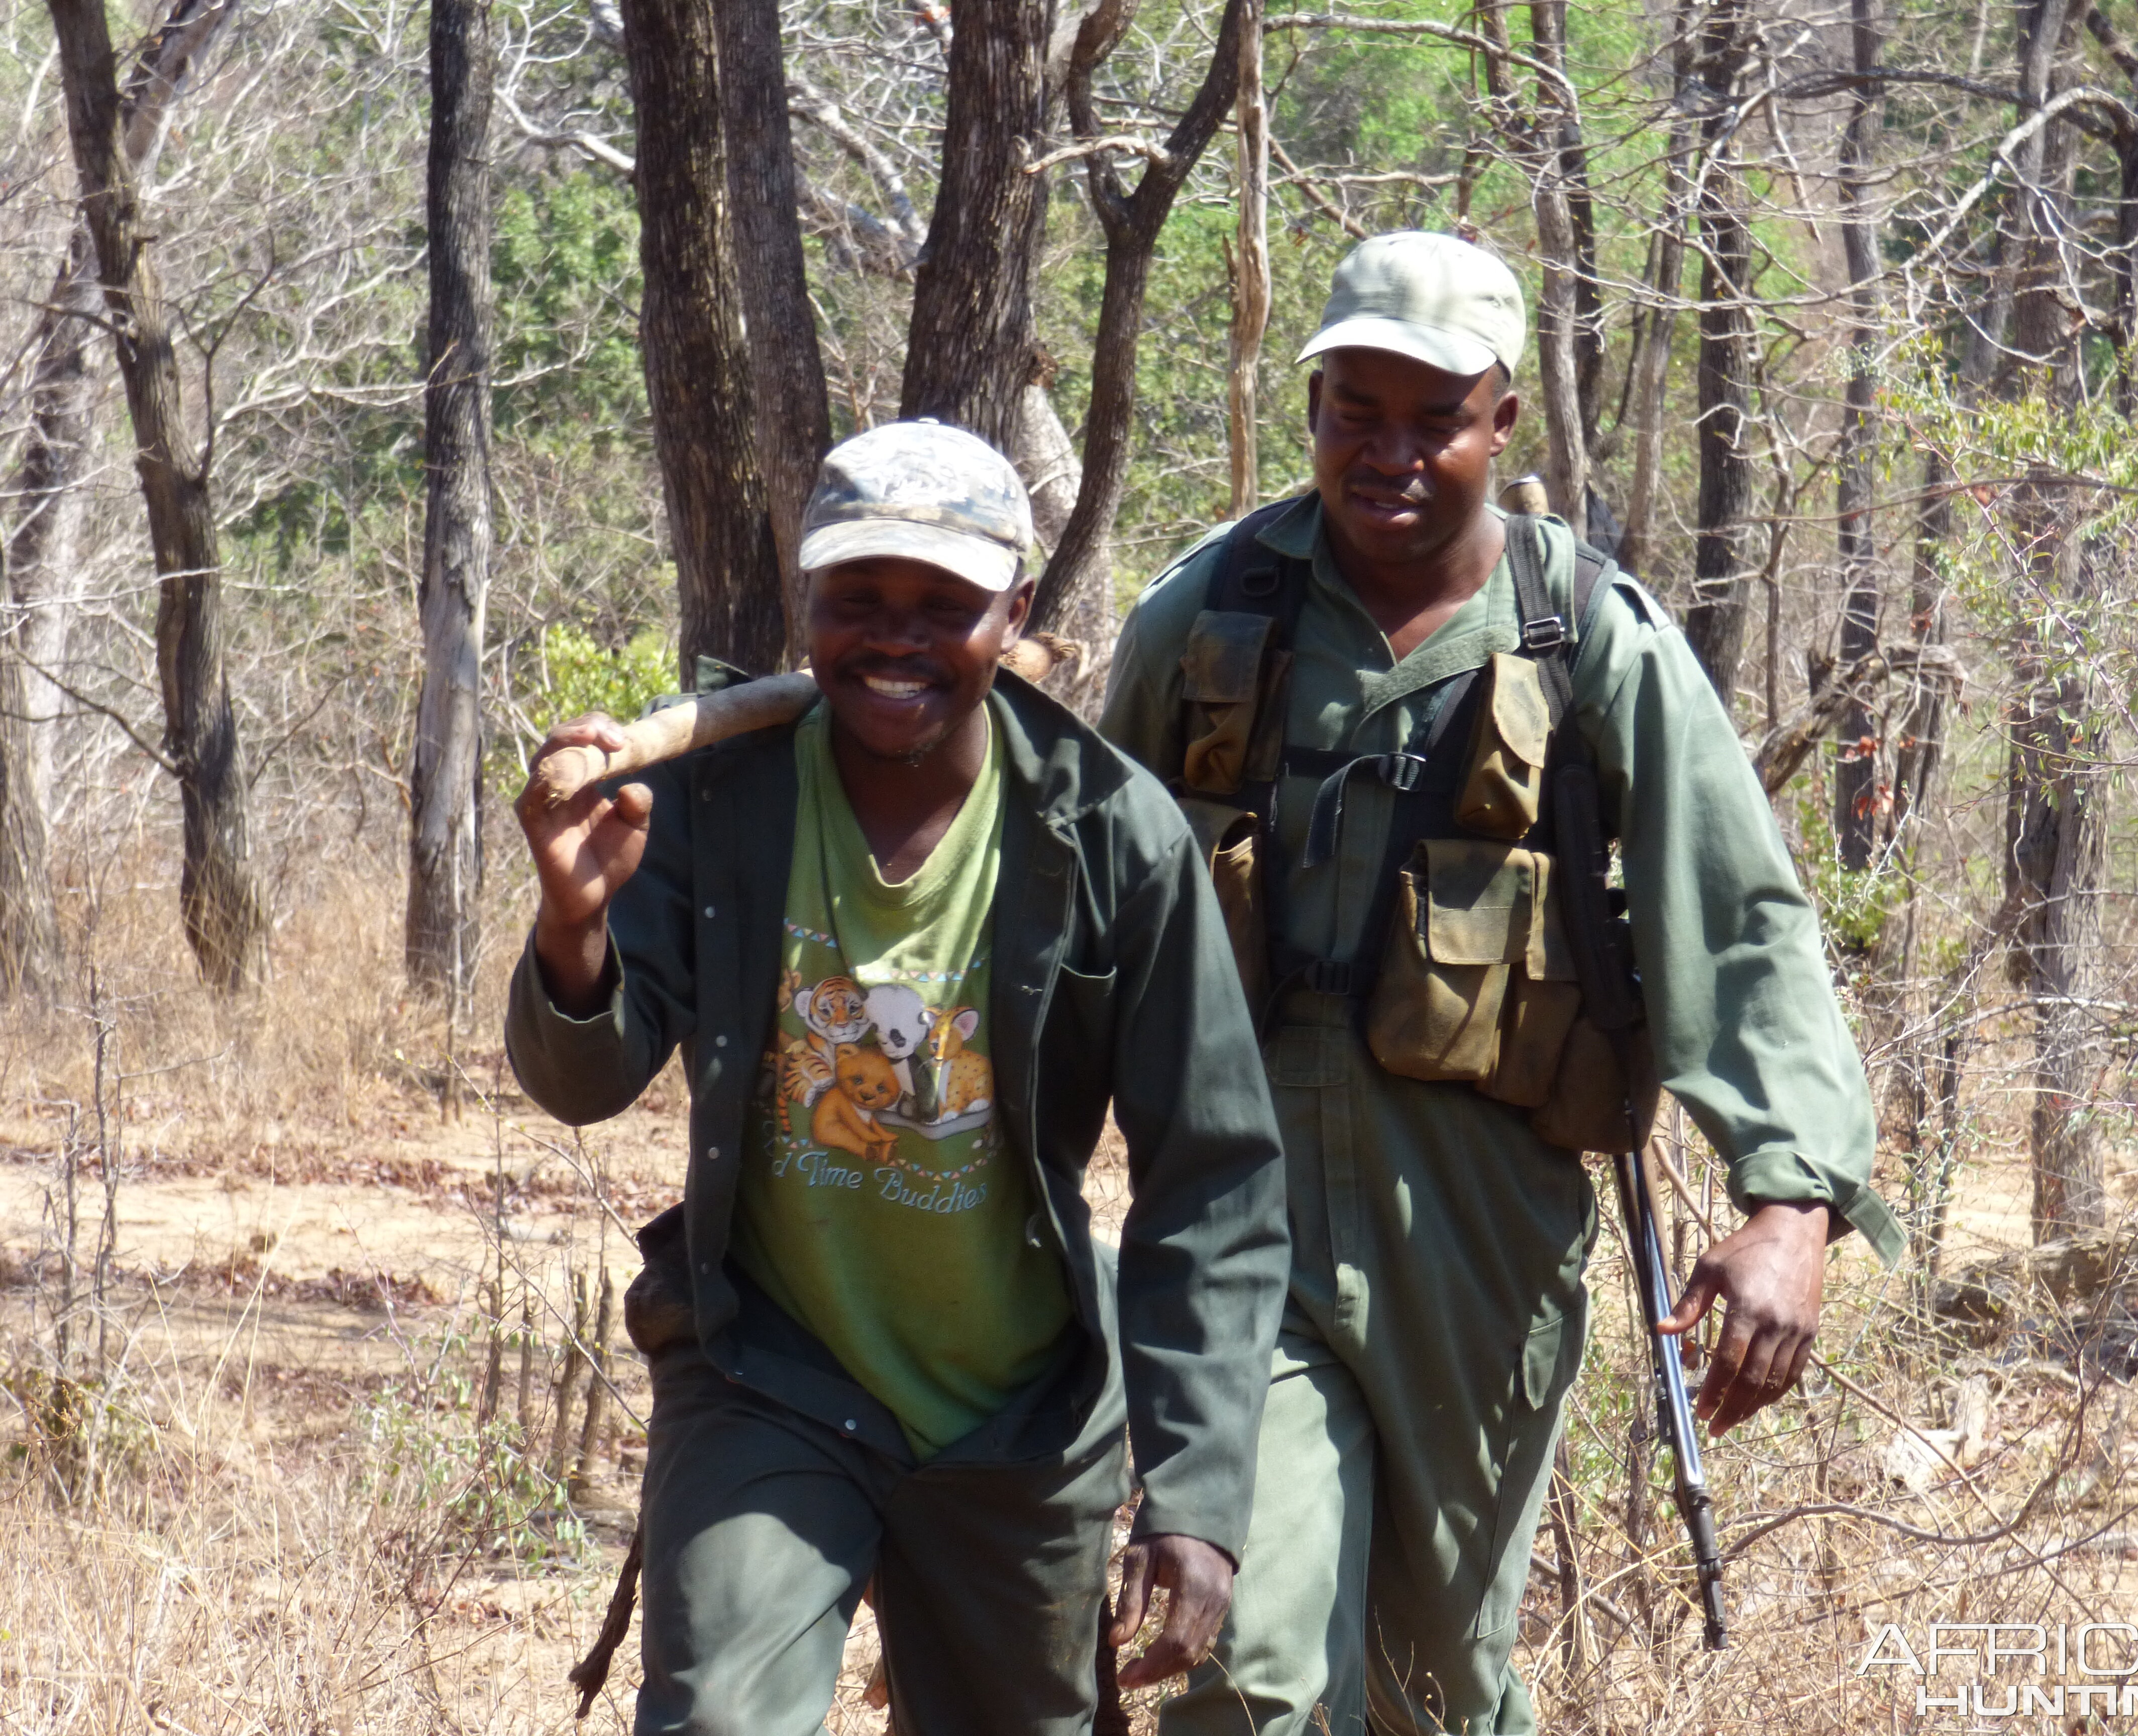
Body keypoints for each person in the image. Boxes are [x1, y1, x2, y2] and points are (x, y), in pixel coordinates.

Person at [1100, 231, 1903, 1734]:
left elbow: (1739, 918)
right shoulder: (1208, 618)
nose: (1391, 453)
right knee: (1251, 1674)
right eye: (1358, 411)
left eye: (1435, 419)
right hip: (1234, 1218)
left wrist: (1792, 1207)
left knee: (1437, 1688)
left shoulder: (1591, 637)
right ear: (1316, 404)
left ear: (1502, 423)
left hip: (1476, 1231)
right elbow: (1070, 915)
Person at [507, 420, 1291, 1734]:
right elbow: (583, 1081)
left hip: (1018, 1410)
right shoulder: (712, 797)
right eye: (856, 601)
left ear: (1016, 612)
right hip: (772, 1373)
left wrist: (1199, 1498)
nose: (896, 640)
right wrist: (573, 922)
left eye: (945, 606)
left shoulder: (1110, 836)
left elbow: (1212, 1182)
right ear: (805, 601)